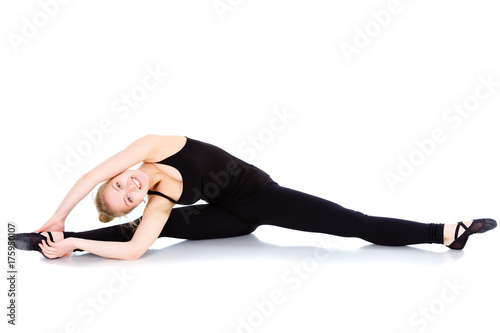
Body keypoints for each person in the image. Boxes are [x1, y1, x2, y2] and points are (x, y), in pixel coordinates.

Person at [13, 135, 497, 260]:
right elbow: (138, 249)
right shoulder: (156, 200)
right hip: (227, 218)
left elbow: (89, 174)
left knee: (351, 222)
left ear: (122, 175)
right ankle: (54, 242)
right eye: (127, 197)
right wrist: (75, 241)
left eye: (120, 184)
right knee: (142, 235)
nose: (128, 187)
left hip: (261, 199)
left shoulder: (152, 147)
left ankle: (445, 234)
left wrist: (57, 210)